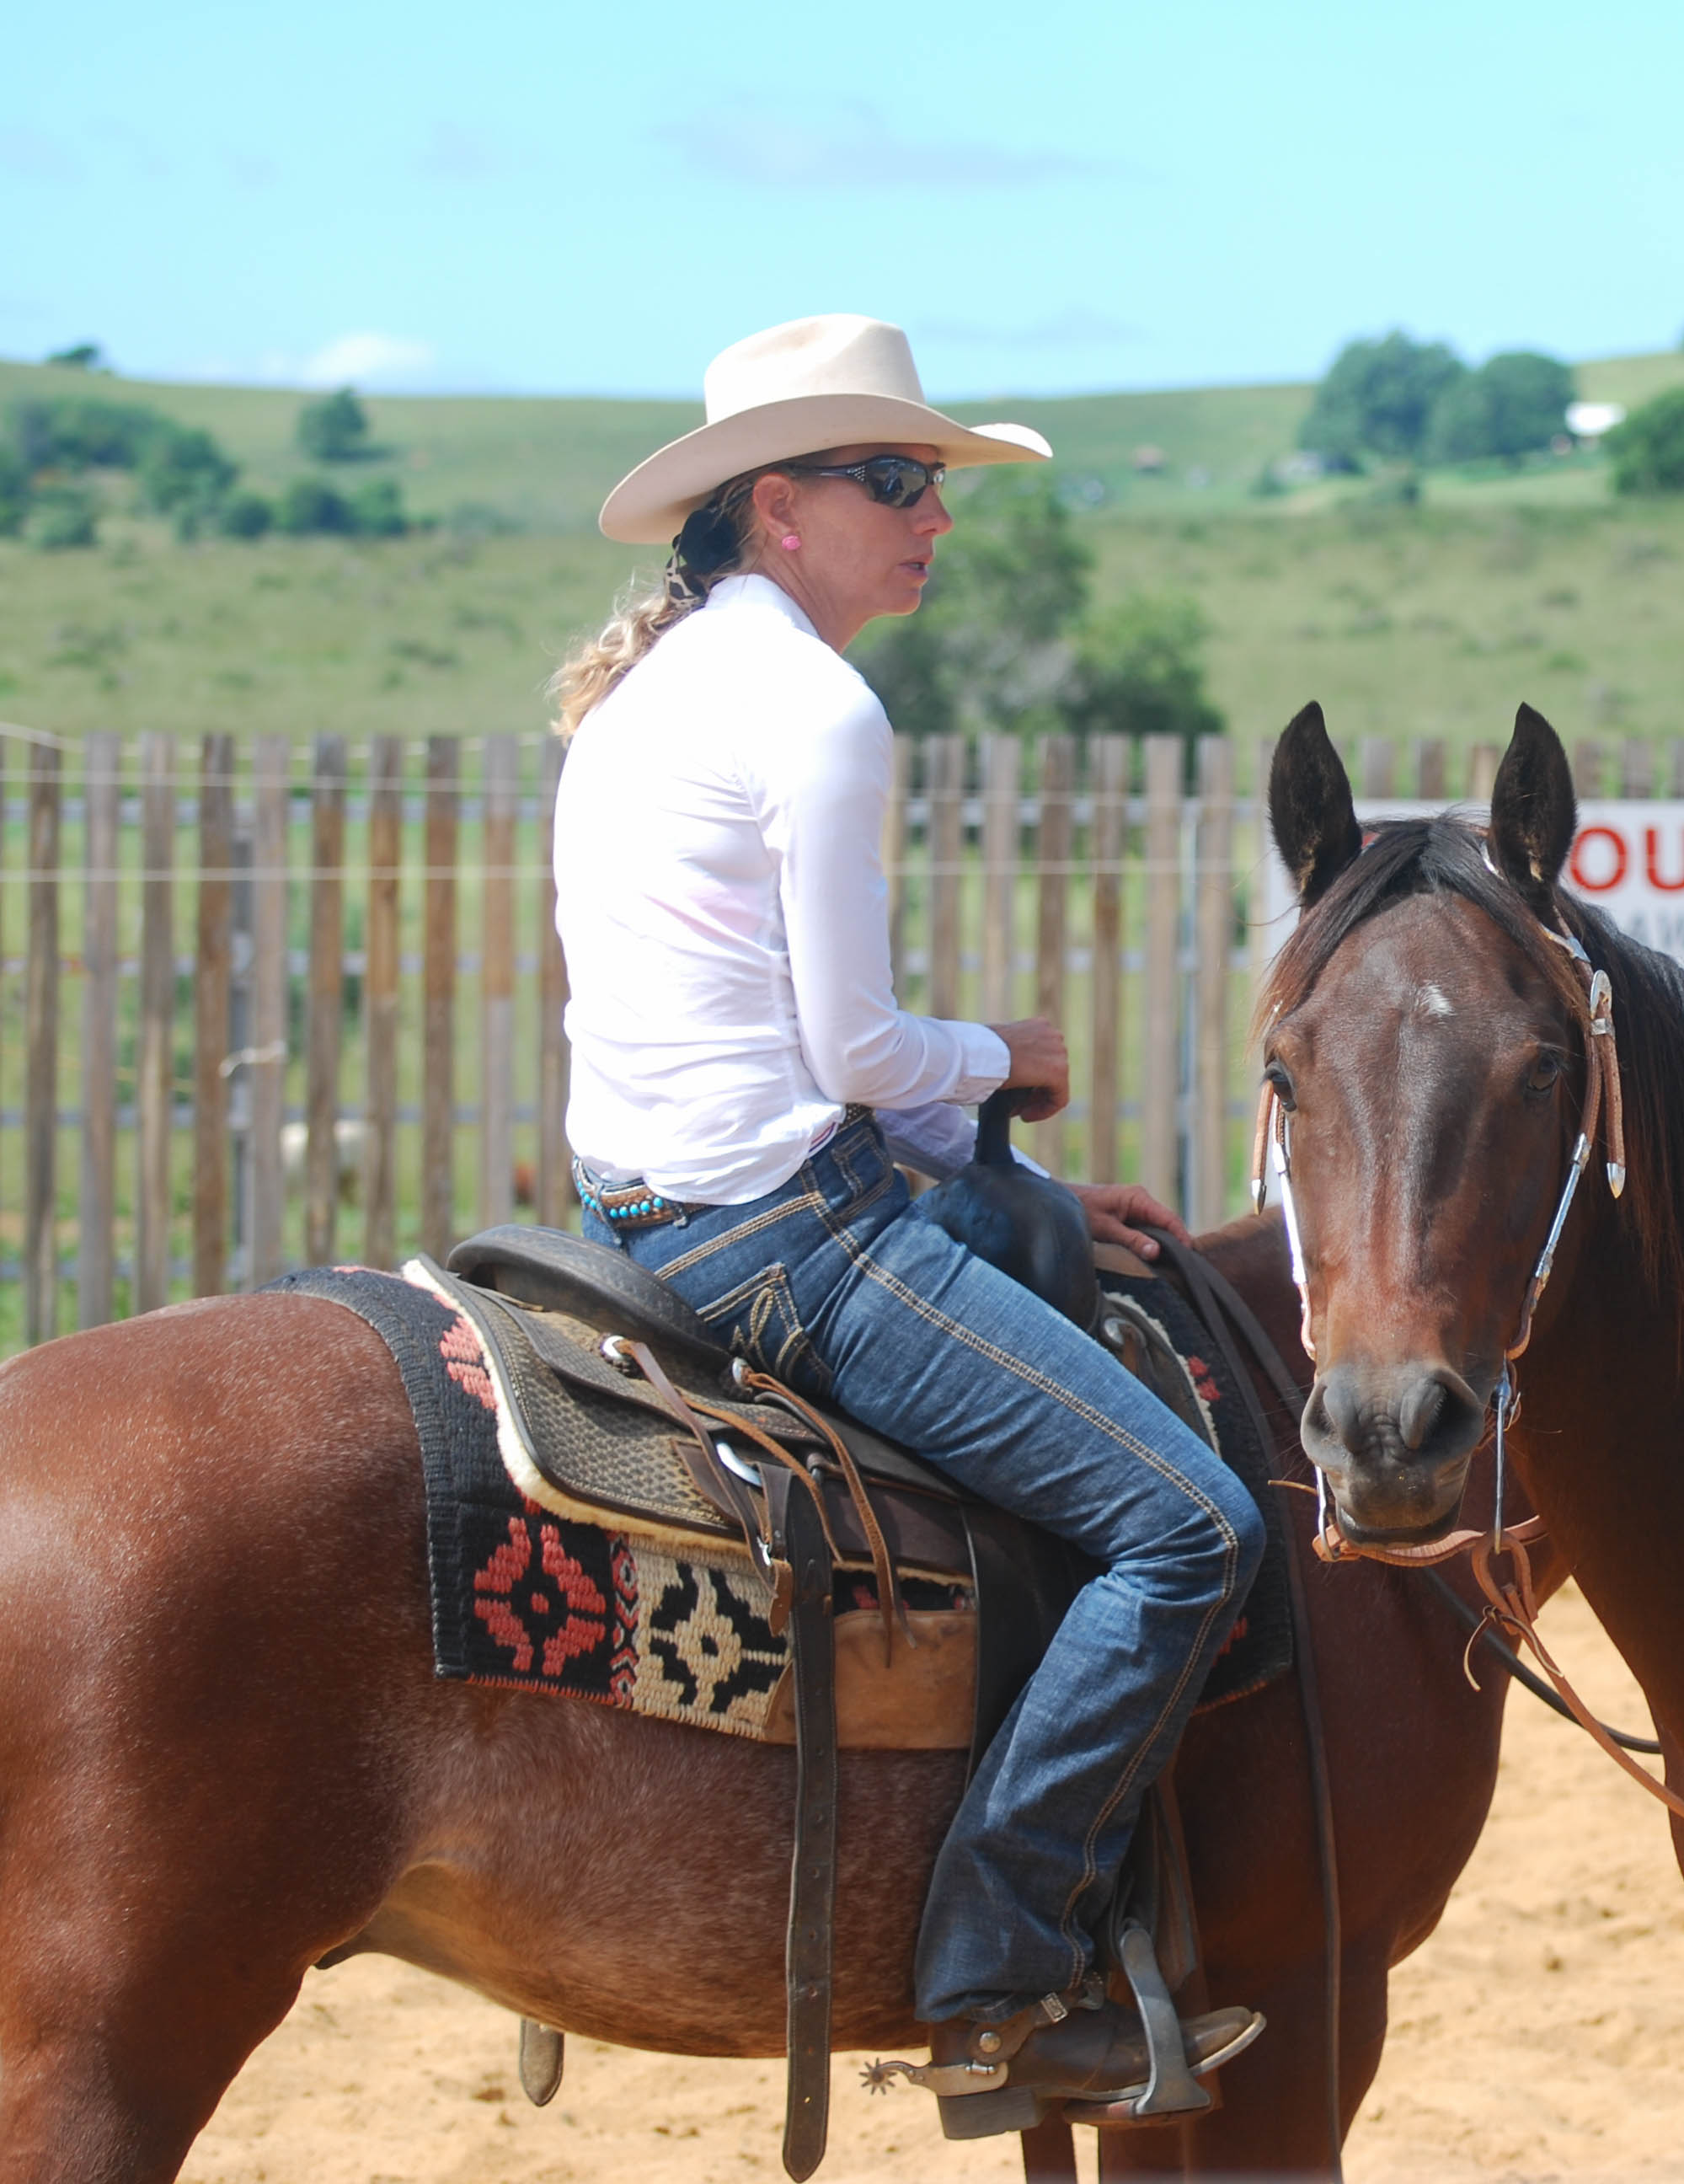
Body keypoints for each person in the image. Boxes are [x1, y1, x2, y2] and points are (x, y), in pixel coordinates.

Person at [549, 315, 1266, 2122]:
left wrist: (982, 1149)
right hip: (781, 1228)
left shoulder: (651, 693)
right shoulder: (820, 708)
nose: (930, 514)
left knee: (1048, 1268)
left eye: (933, 483)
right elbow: (853, 1045)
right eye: (895, 482)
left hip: (644, 1199)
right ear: (777, 509)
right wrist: (1001, 1053)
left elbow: (810, 1048)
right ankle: (1003, 1964)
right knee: (1191, 1524)